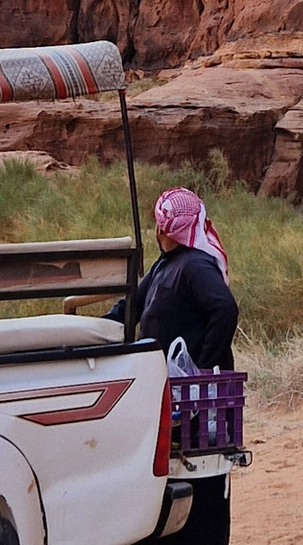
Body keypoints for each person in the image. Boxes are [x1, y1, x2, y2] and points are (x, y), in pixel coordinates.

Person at [105, 186, 239, 545]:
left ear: (163, 229)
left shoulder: (195, 265)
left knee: (201, 482)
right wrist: (99, 329)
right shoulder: (167, 264)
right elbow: (131, 304)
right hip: (175, 398)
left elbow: (225, 310)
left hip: (200, 402)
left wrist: (201, 365)